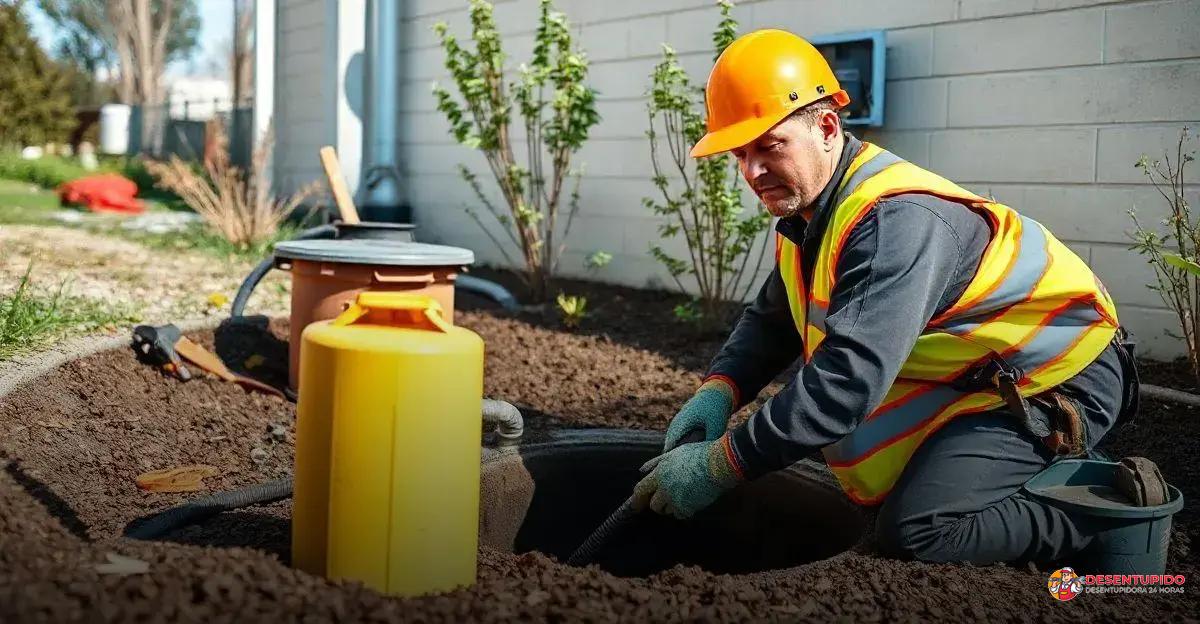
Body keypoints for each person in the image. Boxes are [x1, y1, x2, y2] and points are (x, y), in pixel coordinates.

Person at [630, 29, 1141, 566]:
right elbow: (775, 316)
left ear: (826, 127)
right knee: (894, 485)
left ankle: (1093, 515)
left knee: (919, 530)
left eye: (769, 146)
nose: (752, 171)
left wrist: (722, 465)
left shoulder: (895, 223)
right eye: (739, 153)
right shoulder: (817, 210)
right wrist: (720, 390)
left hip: (1057, 378)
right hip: (985, 370)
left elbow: (845, 385)